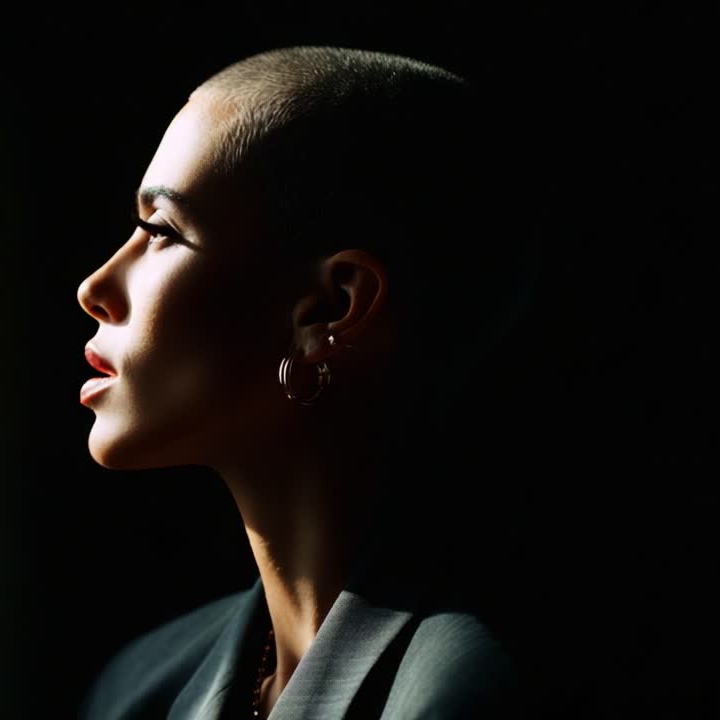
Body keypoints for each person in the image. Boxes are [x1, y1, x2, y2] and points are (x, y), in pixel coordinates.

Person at [74, 47, 537, 720]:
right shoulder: (139, 688)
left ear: (332, 308)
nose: (96, 288)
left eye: (161, 231)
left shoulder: (480, 692)